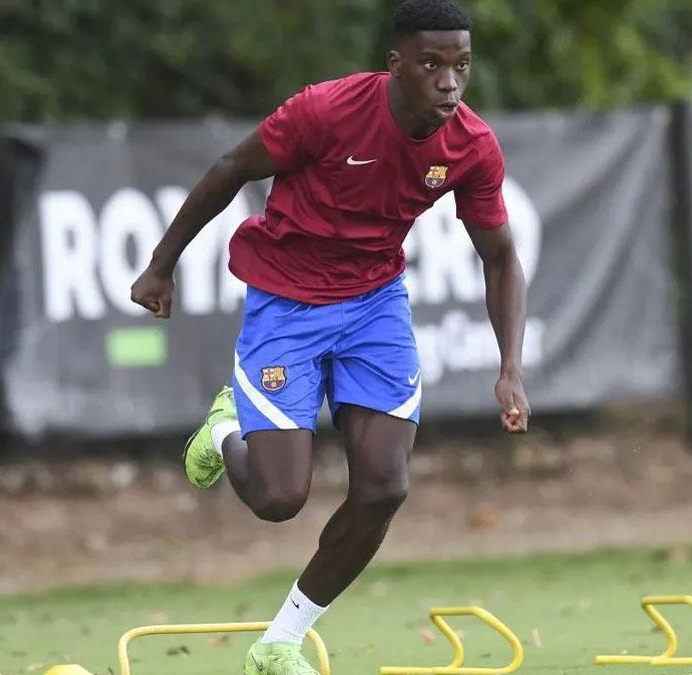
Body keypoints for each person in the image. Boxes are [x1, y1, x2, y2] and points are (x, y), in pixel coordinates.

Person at [130, 0, 530, 672]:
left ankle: (280, 641)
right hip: (285, 300)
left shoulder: (470, 144)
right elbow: (231, 168)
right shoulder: (326, 110)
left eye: (461, 65)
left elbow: (501, 258)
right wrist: (160, 264)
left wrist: (510, 366)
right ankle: (226, 427)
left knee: (384, 485)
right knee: (279, 498)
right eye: (432, 64)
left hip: (374, 307)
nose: (449, 82)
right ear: (396, 65)